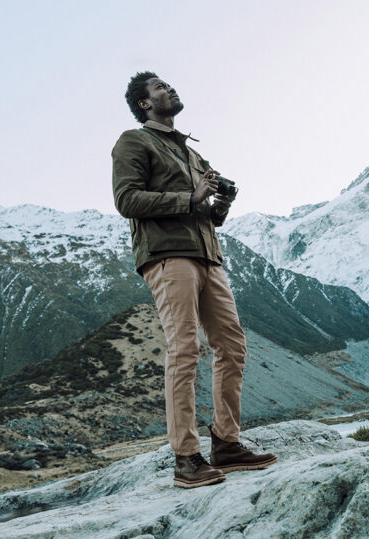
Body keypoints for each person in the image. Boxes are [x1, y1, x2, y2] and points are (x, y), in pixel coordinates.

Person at [111, 71, 277, 488]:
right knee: (185, 349)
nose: (171, 89)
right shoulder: (133, 142)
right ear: (144, 103)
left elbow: (207, 213)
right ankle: (186, 458)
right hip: (168, 256)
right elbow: (127, 200)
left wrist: (220, 203)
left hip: (208, 256)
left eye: (170, 85)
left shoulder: (192, 154)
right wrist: (190, 197)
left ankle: (226, 444)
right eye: (160, 87)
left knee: (232, 347)